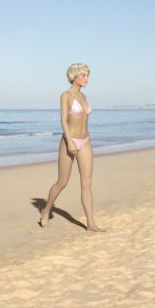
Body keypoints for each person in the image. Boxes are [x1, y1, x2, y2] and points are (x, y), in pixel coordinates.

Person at [40, 63, 106, 232]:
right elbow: (63, 120)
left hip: (85, 141)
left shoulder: (84, 96)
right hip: (69, 141)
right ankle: (46, 210)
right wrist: (69, 141)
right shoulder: (66, 96)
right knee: (62, 182)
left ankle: (90, 223)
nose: (86, 78)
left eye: (87, 75)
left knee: (87, 183)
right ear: (74, 76)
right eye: (83, 75)